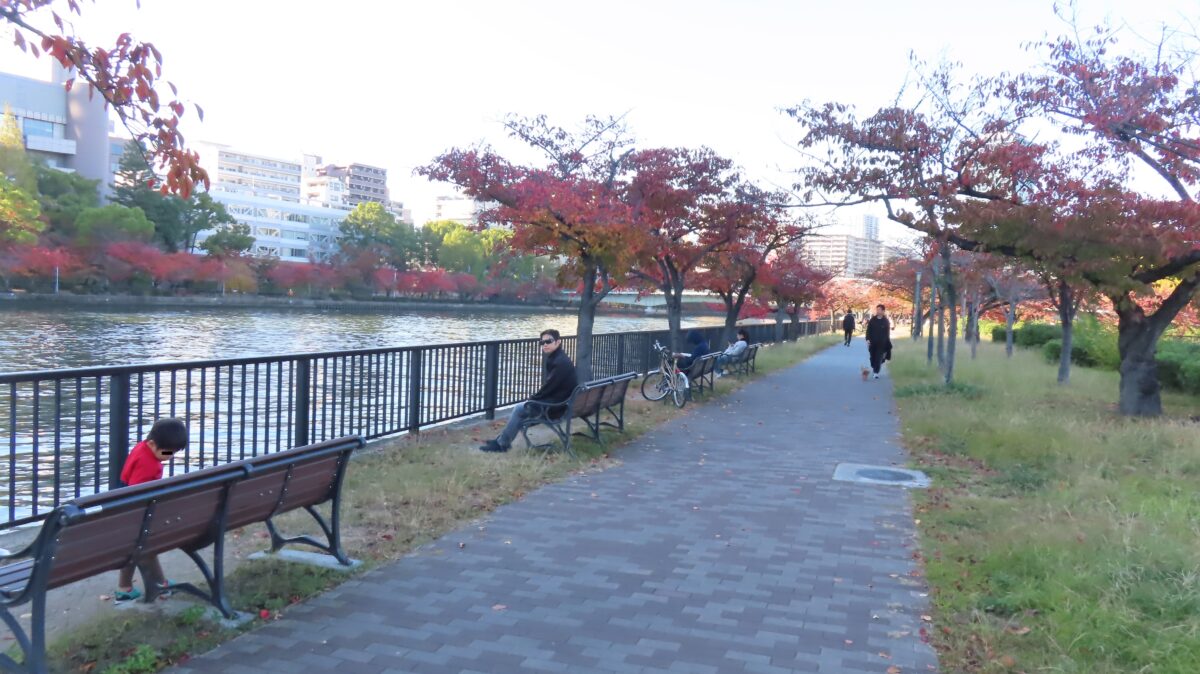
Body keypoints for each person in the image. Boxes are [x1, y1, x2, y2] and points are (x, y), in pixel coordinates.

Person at [114, 417, 188, 602]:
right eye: (167, 452)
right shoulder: (147, 465)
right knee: (145, 544)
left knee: (137, 546)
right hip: (136, 513)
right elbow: (137, 492)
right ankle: (160, 584)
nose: (170, 457)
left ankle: (125, 588)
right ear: (153, 444)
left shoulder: (142, 448)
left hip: (127, 511)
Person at [480, 329, 578, 453]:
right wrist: (534, 399)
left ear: (558, 342)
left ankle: (502, 444)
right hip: (562, 404)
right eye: (542, 342)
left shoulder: (559, 362)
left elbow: (548, 388)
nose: (545, 345)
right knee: (521, 411)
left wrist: (532, 399)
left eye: (548, 341)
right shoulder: (559, 358)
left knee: (519, 409)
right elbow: (551, 387)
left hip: (555, 408)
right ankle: (501, 441)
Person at [865, 304, 893, 379]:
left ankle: (876, 372)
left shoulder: (886, 321)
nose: (878, 311)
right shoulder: (872, 320)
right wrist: (867, 339)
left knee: (878, 357)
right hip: (872, 343)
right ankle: (875, 366)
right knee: (872, 358)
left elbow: (887, 333)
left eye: (879, 310)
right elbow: (868, 330)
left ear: (883, 311)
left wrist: (887, 343)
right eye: (877, 309)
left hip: (882, 344)